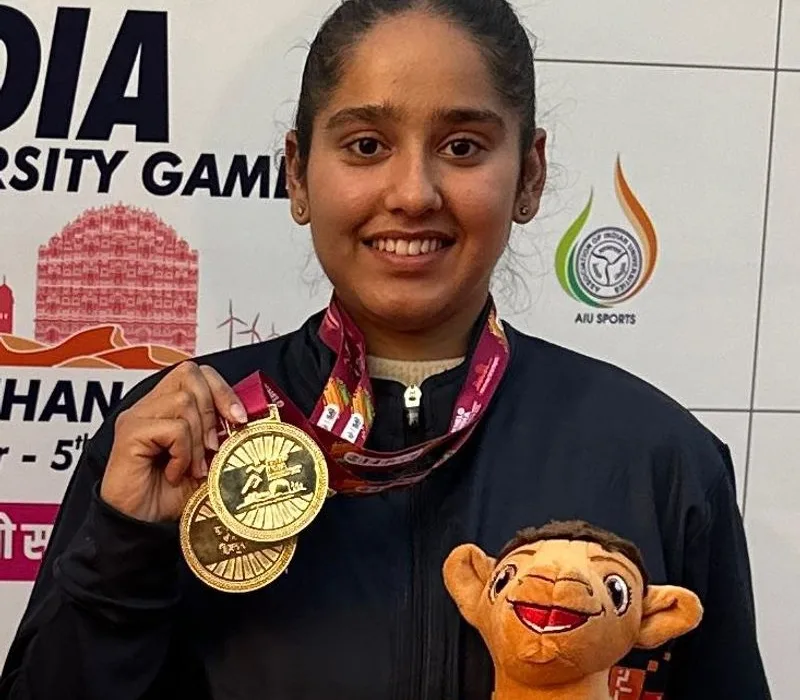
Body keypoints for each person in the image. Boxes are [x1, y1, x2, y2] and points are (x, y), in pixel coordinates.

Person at [0, 0, 771, 698]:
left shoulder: (658, 458)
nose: (412, 192)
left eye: (462, 146)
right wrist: (125, 550)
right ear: (298, 174)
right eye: (366, 145)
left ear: (529, 176)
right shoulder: (179, 438)